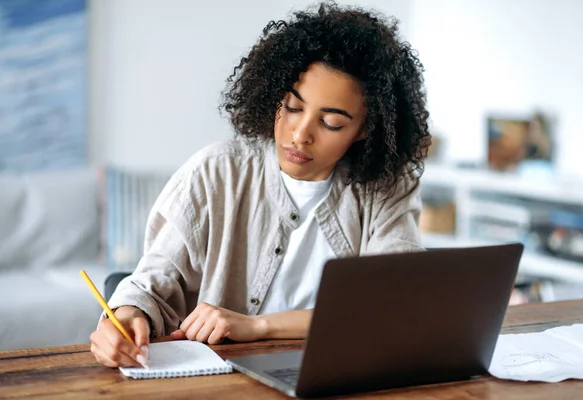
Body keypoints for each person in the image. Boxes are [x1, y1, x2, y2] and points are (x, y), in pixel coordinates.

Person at [90, 1, 431, 368]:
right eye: (292, 107)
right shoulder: (216, 173)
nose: (300, 135)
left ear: (365, 129)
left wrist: (259, 326)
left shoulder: (385, 188)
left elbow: (394, 304)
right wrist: (125, 317)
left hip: (341, 373)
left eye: (331, 122)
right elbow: (150, 287)